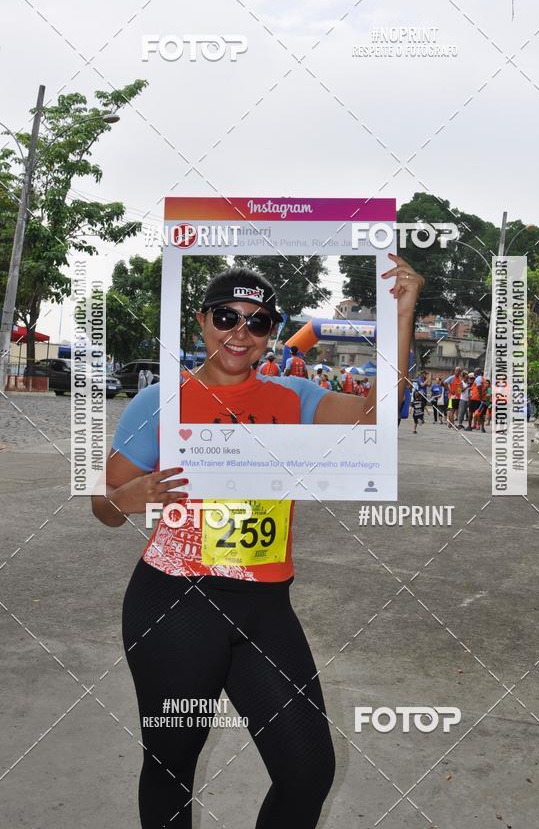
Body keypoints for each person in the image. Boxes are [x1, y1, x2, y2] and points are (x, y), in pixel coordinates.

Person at [91, 257, 424, 829]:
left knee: (307, 770)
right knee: (172, 766)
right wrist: (136, 494)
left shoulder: (293, 398)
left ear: (272, 332)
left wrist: (403, 313)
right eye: (226, 316)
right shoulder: (158, 403)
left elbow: (376, 418)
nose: (239, 332)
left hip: (265, 606)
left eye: (259, 321)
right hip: (175, 604)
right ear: (201, 322)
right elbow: (105, 507)